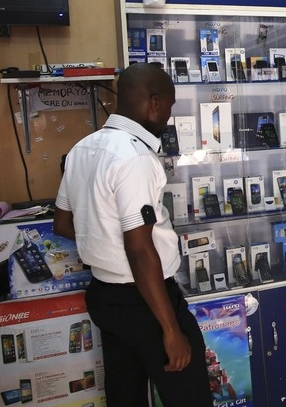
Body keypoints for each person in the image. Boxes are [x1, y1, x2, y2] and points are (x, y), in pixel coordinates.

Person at [53, 63, 210, 407]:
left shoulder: (82, 149)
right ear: (154, 103)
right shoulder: (135, 157)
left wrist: (103, 235)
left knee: (125, 397)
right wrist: (170, 331)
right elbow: (139, 250)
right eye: (169, 107)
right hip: (149, 305)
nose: (168, 117)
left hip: (105, 299)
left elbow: (62, 224)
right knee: (190, 396)